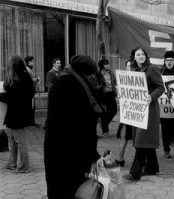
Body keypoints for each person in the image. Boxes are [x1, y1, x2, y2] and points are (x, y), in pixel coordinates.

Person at [44, 55, 100, 199]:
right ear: (83, 72)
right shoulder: (68, 85)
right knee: (66, 188)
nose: (91, 77)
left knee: (66, 188)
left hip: (67, 150)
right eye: (90, 74)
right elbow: (80, 123)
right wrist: (92, 152)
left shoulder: (70, 82)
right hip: (68, 151)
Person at [123, 47, 164, 181]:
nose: (140, 56)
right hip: (138, 109)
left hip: (149, 109)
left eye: (142, 54)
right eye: (137, 54)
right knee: (144, 139)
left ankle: (135, 173)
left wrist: (151, 97)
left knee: (141, 140)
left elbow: (160, 87)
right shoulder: (135, 70)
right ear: (134, 57)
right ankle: (152, 167)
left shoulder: (152, 69)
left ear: (146, 56)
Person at [2, 55, 34, 173]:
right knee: (13, 139)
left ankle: (24, 167)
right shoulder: (25, 76)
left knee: (19, 141)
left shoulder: (17, 79)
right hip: (21, 112)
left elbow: (10, 97)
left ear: (13, 65)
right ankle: (12, 163)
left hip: (16, 114)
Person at [160, 51, 174, 160]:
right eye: (167, 60)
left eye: (171, 60)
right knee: (165, 130)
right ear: (164, 61)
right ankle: (166, 150)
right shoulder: (160, 73)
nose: (169, 62)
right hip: (164, 108)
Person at [115, 60, 133, 167]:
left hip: (138, 113)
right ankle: (120, 158)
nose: (129, 68)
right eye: (127, 67)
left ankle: (142, 160)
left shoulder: (140, 78)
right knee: (124, 136)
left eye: (131, 66)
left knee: (136, 137)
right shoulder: (123, 79)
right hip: (127, 112)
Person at [95, 58, 118, 137]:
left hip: (111, 93)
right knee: (105, 112)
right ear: (102, 65)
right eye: (106, 64)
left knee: (114, 110)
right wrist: (101, 87)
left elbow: (114, 81)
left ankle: (103, 123)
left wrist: (114, 88)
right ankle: (105, 132)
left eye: (108, 63)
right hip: (103, 95)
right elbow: (96, 84)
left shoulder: (110, 72)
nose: (108, 65)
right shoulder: (98, 74)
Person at [24, 56, 40, 126]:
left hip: (29, 91)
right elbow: (29, 80)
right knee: (31, 107)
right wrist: (37, 79)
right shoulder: (28, 70)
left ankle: (29, 122)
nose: (33, 63)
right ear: (28, 62)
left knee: (31, 107)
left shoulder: (27, 69)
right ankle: (30, 122)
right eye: (32, 61)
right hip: (29, 92)